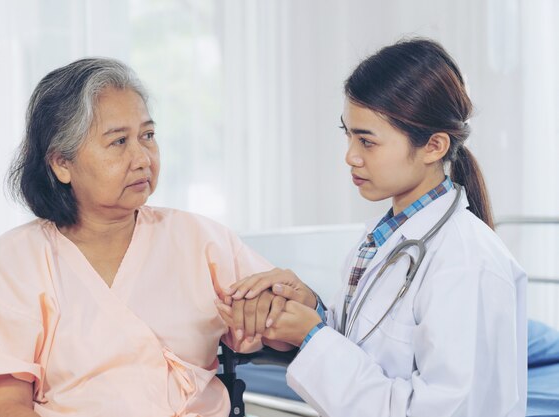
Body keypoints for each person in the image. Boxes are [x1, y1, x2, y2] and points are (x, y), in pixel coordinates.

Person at [217, 38, 527, 417]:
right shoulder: (381, 240)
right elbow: (365, 349)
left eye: (367, 141)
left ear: (433, 146)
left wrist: (312, 337)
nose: (350, 155)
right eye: (347, 134)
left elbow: (446, 410)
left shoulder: (467, 261)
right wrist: (310, 309)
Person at [0, 57, 273, 417]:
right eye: (119, 142)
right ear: (61, 164)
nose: (142, 158)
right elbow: (1, 404)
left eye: (147, 136)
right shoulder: (15, 259)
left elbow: (289, 320)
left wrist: (271, 310)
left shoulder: (200, 239)